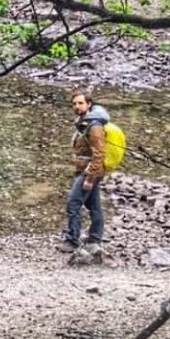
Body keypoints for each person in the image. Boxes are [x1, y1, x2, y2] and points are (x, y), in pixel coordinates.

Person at [62, 91, 107, 249]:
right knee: (94, 205)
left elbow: (99, 153)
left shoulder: (94, 126)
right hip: (84, 169)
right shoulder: (82, 122)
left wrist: (89, 178)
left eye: (80, 103)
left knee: (73, 204)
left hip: (90, 171)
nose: (77, 106)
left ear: (89, 104)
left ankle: (72, 240)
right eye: (74, 103)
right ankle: (95, 238)